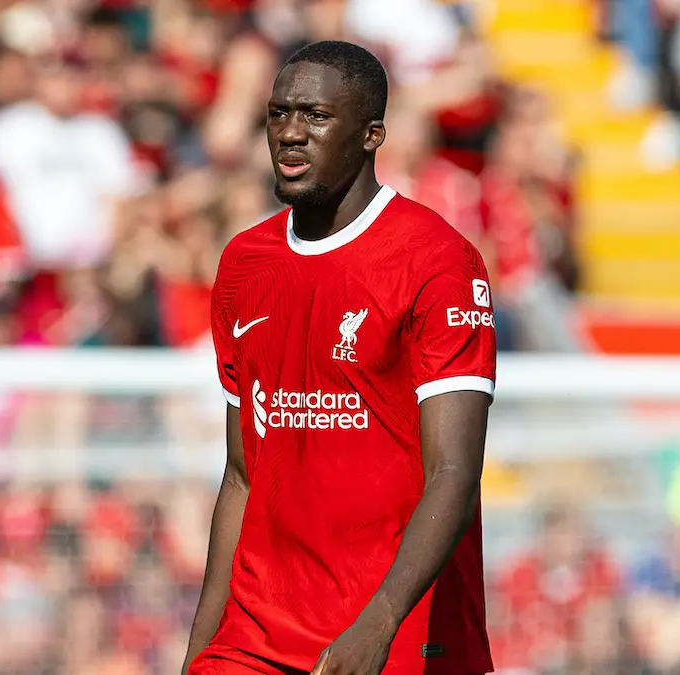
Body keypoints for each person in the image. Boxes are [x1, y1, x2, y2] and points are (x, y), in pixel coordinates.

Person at [183, 41, 497, 675]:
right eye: (278, 114)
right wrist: (200, 653)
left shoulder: (437, 263)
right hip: (256, 637)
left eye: (316, 117)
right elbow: (242, 476)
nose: (291, 133)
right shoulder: (245, 264)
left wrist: (378, 624)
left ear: (371, 134)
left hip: (392, 635)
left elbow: (455, 472)